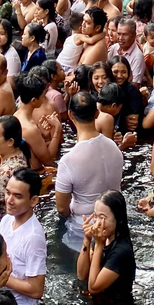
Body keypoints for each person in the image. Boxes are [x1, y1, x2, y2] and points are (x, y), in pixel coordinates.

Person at [56, 92, 124, 249]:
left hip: (84, 228)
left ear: (70, 114)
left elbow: (61, 208)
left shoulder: (68, 160)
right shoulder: (114, 148)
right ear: (97, 113)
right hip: (115, 223)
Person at [0, 168, 47, 305]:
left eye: (17, 196)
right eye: (8, 193)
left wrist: (1, 276)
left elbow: (36, 290)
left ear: (33, 201)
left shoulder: (33, 237)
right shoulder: (6, 220)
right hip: (2, 298)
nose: (9, 200)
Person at [14, 74, 62, 169]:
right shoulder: (30, 129)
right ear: (34, 101)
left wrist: (42, 136)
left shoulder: (16, 115)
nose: (45, 98)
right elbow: (48, 160)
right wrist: (57, 129)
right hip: (32, 175)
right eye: (43, 96)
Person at [107, 18, 146, 86]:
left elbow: (135, 85)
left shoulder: (137, 57)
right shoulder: (114, 48)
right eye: (119, 34)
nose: (120, 38)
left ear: (134, 35)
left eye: (125, 35)